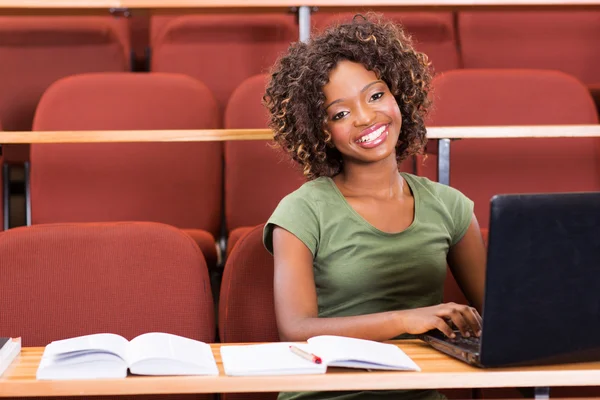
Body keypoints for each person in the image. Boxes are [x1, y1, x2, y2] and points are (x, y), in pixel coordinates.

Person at [262, 13, 487, 400]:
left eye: (376, 95)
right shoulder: (301, 211)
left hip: (418, 392)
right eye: (341, 113)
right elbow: (296, 329)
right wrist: (406, 319)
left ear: (400, 93)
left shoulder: (451, 207)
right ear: (321, 132)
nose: (366, 117)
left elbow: (500, 312)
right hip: (327, 394)